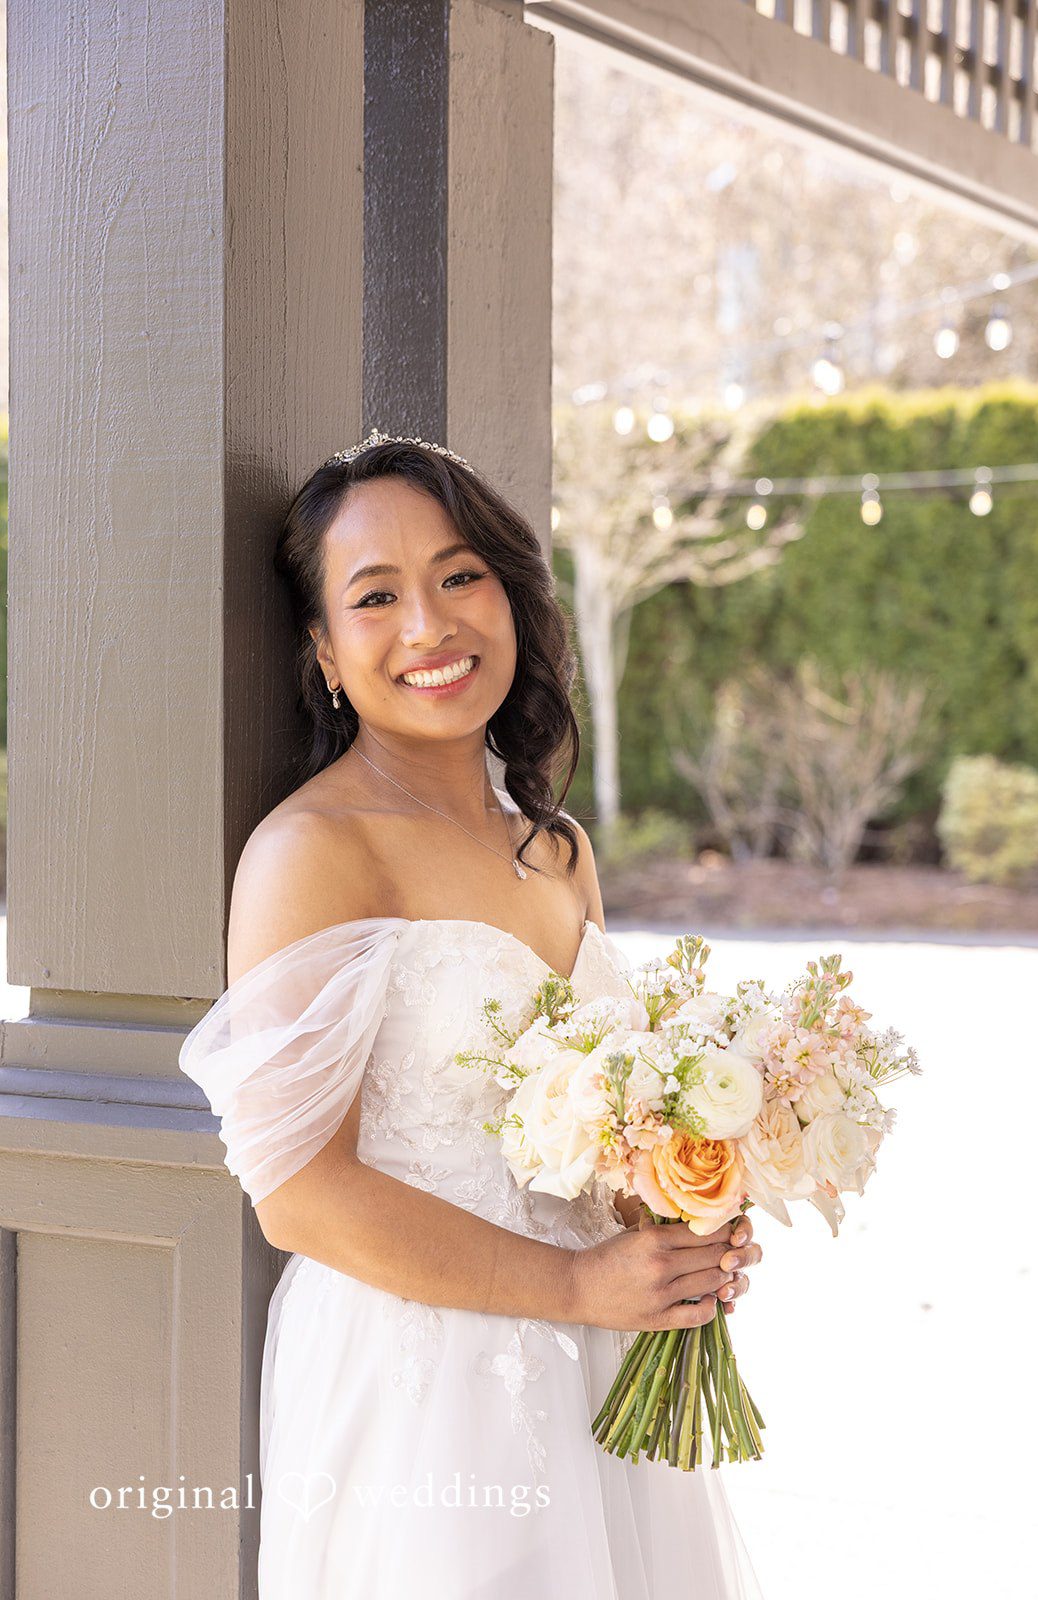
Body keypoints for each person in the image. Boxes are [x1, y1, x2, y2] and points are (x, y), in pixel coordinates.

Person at [179, 430, 765, 1598]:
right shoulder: (311, 852)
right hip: (425, 1384)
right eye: (375, 595)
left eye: (458, 576)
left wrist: (673, 1225)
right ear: (327, 654)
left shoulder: (556, 849)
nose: (429, 627)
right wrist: (569, 1287)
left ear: (508, 593)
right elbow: (297, 1191)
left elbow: (595, 1126)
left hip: (598, 1359)